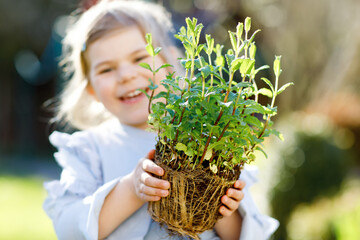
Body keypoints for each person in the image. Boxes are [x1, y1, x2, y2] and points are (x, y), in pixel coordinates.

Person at [43, 0, 279, 239]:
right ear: (91, 88)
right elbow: (69, 229)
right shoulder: (89, 150)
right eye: (106, 69)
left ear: (170, 63)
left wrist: (225, 210)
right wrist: (132, 190)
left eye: (139, 58)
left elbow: (252, 235)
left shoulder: (207, 140)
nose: (126, 75)